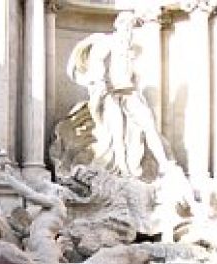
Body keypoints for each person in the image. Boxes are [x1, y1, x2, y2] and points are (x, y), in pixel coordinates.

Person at [67, 11, 170, 178]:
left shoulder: (129, 47)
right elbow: (97, 65)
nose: (130, 31)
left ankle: (164, 164)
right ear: (119, 25)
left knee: (148, 125)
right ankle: (122, 170)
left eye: (132, 27)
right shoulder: (107, 42)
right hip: (111, 95)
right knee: (117, 133)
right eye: (127, 26)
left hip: (130, 93)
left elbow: (132, 75)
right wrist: (100, 86)